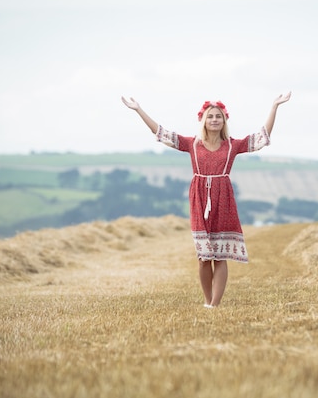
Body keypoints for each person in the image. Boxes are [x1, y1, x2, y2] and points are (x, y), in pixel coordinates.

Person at [121, 92, 291, 308]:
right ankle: (207, 300)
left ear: (224, 120)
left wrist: (274, 106)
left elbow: (261, 138)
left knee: (220, 255)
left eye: (218, 116)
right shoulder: (192, 144)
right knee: (203, 257)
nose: (214, 120)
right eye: (210, 116)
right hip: (200, 199)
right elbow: (162, 133)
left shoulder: (232, 145)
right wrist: (138, 109)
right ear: (203, 119)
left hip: (224, 199)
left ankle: (215, 304)